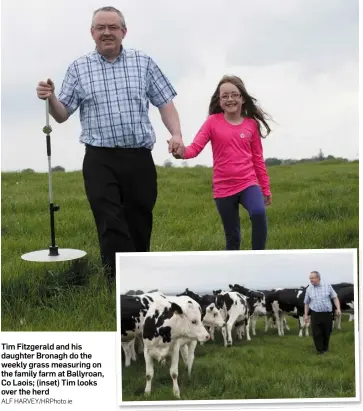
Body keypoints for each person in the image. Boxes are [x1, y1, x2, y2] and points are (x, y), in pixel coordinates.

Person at [36, 6, 184, 279]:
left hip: (138, 157)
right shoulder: (79, 68)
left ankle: (140, 279)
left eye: (112, 27)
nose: (107, 32)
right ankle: (117, 281)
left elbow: (165, 103)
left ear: (123, 32)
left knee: (139, 219)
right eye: (100, 27)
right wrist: (51, 98)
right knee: (110, 220)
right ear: (92, 32)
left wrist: (176, 134)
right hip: (99, 158)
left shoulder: (144, 62)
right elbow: (61, 114)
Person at [171, 75, 271, 250]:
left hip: (248, 183)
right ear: (219, 100)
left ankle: (258, 258)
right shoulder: (212, 122)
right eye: (224, 96)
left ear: (242, 98)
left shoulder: (251, 125)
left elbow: (257, 159)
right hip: (223, 188)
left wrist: (265, 188)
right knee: (233, 238)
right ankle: (232, 276)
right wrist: (180, 152)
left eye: (234, 95)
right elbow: (194, 148)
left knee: (258, 212)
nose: (230, 99)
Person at [304, 271, 341, 355]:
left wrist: (338, 308)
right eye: (310, 278)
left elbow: (335, 298)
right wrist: (306, 315)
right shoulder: (309, 289)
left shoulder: (327, 286)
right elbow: (306, 303)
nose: (311, 280)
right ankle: (320, 351)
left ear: (318, 278)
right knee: (316, 333)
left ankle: (325, 348)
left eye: (312, 278)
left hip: (327, 314)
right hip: (315, 314)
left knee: (327, 332)